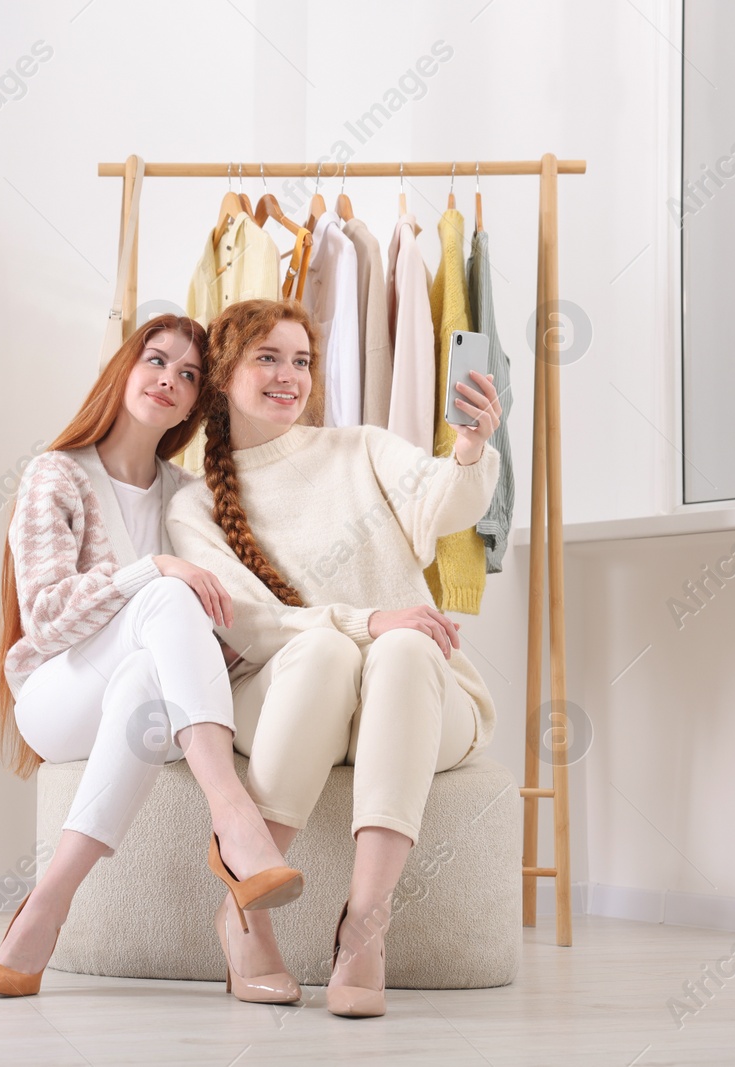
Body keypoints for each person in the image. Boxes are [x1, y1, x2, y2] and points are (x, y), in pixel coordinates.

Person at [166, 298, 503, 1018]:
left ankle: (364, 926)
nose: (290, 375)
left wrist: (470, 447)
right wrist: (365, 618)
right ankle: (247, 910)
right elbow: (252, 624)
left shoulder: (362, 447)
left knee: (409, 644)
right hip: (293, 692)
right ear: (224, 375)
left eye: (301, 360)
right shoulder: (193, 507)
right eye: (268, 358)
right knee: (323, 647)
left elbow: (445, 504)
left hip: (414, 698)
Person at [0, 313, 305, 1002]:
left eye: (189, 375)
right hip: (55, 692)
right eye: (156, 361)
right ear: (123, 369)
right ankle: (235, 818)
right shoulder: (55, 473)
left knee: (148, 688)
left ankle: (46, 905)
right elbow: (44, 615)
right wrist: (151, 570)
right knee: (163, 595)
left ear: (196, 402)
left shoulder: (187, 496)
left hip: (146, 705)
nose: (169, 379)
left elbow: (218, 619)